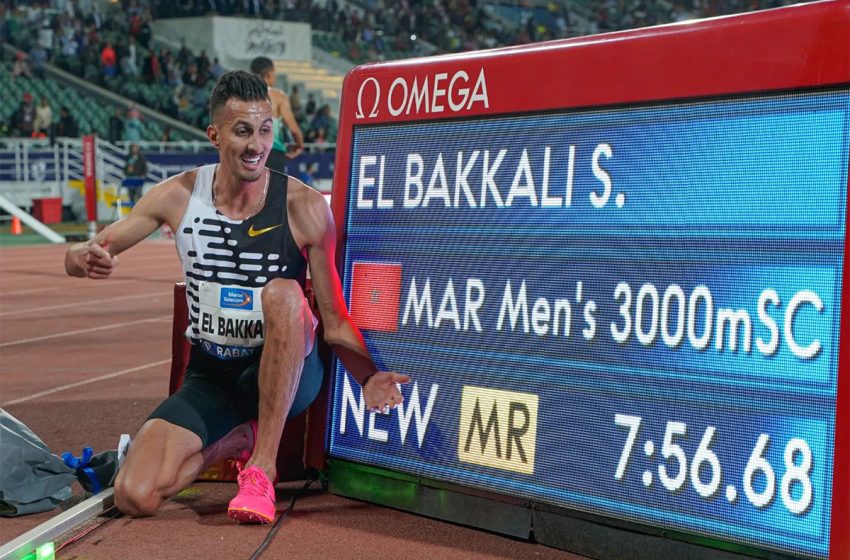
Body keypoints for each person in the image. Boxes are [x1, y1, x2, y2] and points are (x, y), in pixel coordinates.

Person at [63, 70, 408, 525]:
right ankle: (235, 441)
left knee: (285, 294)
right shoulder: (179, 195)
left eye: (265, 130)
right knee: (135, 495)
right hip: (212, 374)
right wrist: (82, 257)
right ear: (215, 134)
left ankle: (261, 469)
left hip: (288, 370)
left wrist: (368, 377)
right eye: (243, 131)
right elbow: (86, 253)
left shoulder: (303, 207)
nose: (256, 145)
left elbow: (333, 318)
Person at [249, 56, 304, 173]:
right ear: (269, 74)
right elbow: (294, 129)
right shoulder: (278, 97)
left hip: (248, 153)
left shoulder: (241, 95)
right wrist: (299, 145)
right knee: (274, 190)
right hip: (272, 153)